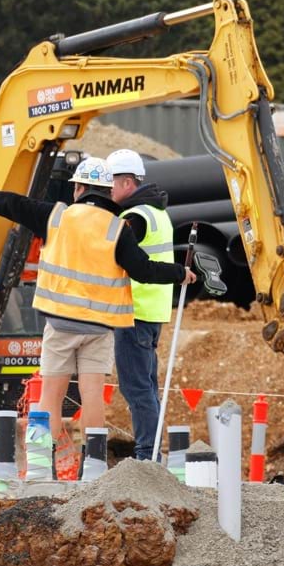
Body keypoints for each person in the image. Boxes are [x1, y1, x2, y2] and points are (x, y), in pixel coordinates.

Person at [0, 156, 196, 458]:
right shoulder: (117, 228)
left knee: (50, 397)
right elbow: (144, 270)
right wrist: (179, 273)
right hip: (100, 327)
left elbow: (13, 204)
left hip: (62, 323)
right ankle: (92, 465)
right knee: (92, 395)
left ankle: (46, 462)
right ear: (108, 192)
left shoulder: (57, 217)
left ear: (79, 188)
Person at [107, 148, 176, 461]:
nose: (108, 191)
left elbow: (116, 257)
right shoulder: (157, 212)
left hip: (133, 311)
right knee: (146, 388)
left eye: (110, 183)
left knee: (137, 389)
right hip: (152, 312)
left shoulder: (134, 217)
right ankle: (152, 453)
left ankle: (147, 455)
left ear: (126, 183)